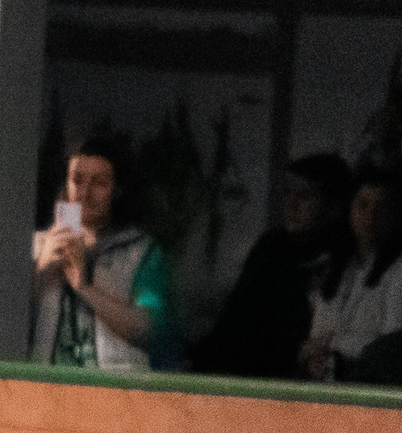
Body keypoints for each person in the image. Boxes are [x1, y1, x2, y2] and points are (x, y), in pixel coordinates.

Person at [193, 153, 354, 380]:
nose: (291, 204)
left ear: (334, 206)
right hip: (244, 373)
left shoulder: (348, 259)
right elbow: (235, 320)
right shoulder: (272, 246)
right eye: (288, 192)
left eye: (305, 196)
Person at [31, 137, 179, 372]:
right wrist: (41, 266)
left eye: (99, 183)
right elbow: (2, 315)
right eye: (76, 180)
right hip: (50, 392)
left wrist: (85, 289)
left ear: (117, 191)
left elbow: (147, 332)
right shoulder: (40, 245)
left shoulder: (141, 252)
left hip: (114, 393)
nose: (85, 192)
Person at [304, 165, 402, 386]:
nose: (370, 216)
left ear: (396, 214)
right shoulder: (338, 265)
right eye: (363, 205)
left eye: (382, 207)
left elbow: (393, 347)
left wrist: (331, 348)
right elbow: (318, 332)